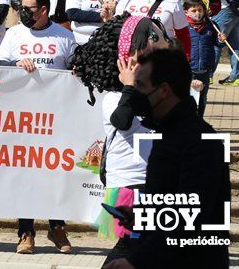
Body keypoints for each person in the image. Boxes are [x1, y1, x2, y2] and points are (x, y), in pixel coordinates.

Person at [102, 48, 230, 269]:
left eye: (140, 86)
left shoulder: (200, 140)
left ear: (163, 90)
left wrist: (136, 262)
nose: (134, 93)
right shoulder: (168, 133)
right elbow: (171, 202)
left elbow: (189, 217)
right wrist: (142, 215)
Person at [73, 14, 170, 262]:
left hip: (154, 178)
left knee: (145, 248)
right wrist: (128, 84)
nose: (162, 43)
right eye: (153, 38)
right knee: (130, 246)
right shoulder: (115, 98)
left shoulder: (155, 91)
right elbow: (122, 120)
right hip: (130, 182)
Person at [0, 0, 76, 255]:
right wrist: (15, 62)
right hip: (23, 118)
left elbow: (77, 65)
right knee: (26, 175)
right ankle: (26, 232)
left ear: (43, 10)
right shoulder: (15, 34)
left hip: (56, 117)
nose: (23, 13)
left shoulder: (64, 36)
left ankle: (57, 227)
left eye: (29, 9)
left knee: (54, 174)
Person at [184, 0, 225, 116]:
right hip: (188, 69)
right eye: (194, 10)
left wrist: (221, 40)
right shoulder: (182, 26)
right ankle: (186, 122)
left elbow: (218, 44)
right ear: (186, 11)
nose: (197, 13)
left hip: (205, 68)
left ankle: (199, 121)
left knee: (202, 97)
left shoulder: (211, 25)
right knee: (188, 97)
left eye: (200, 10)